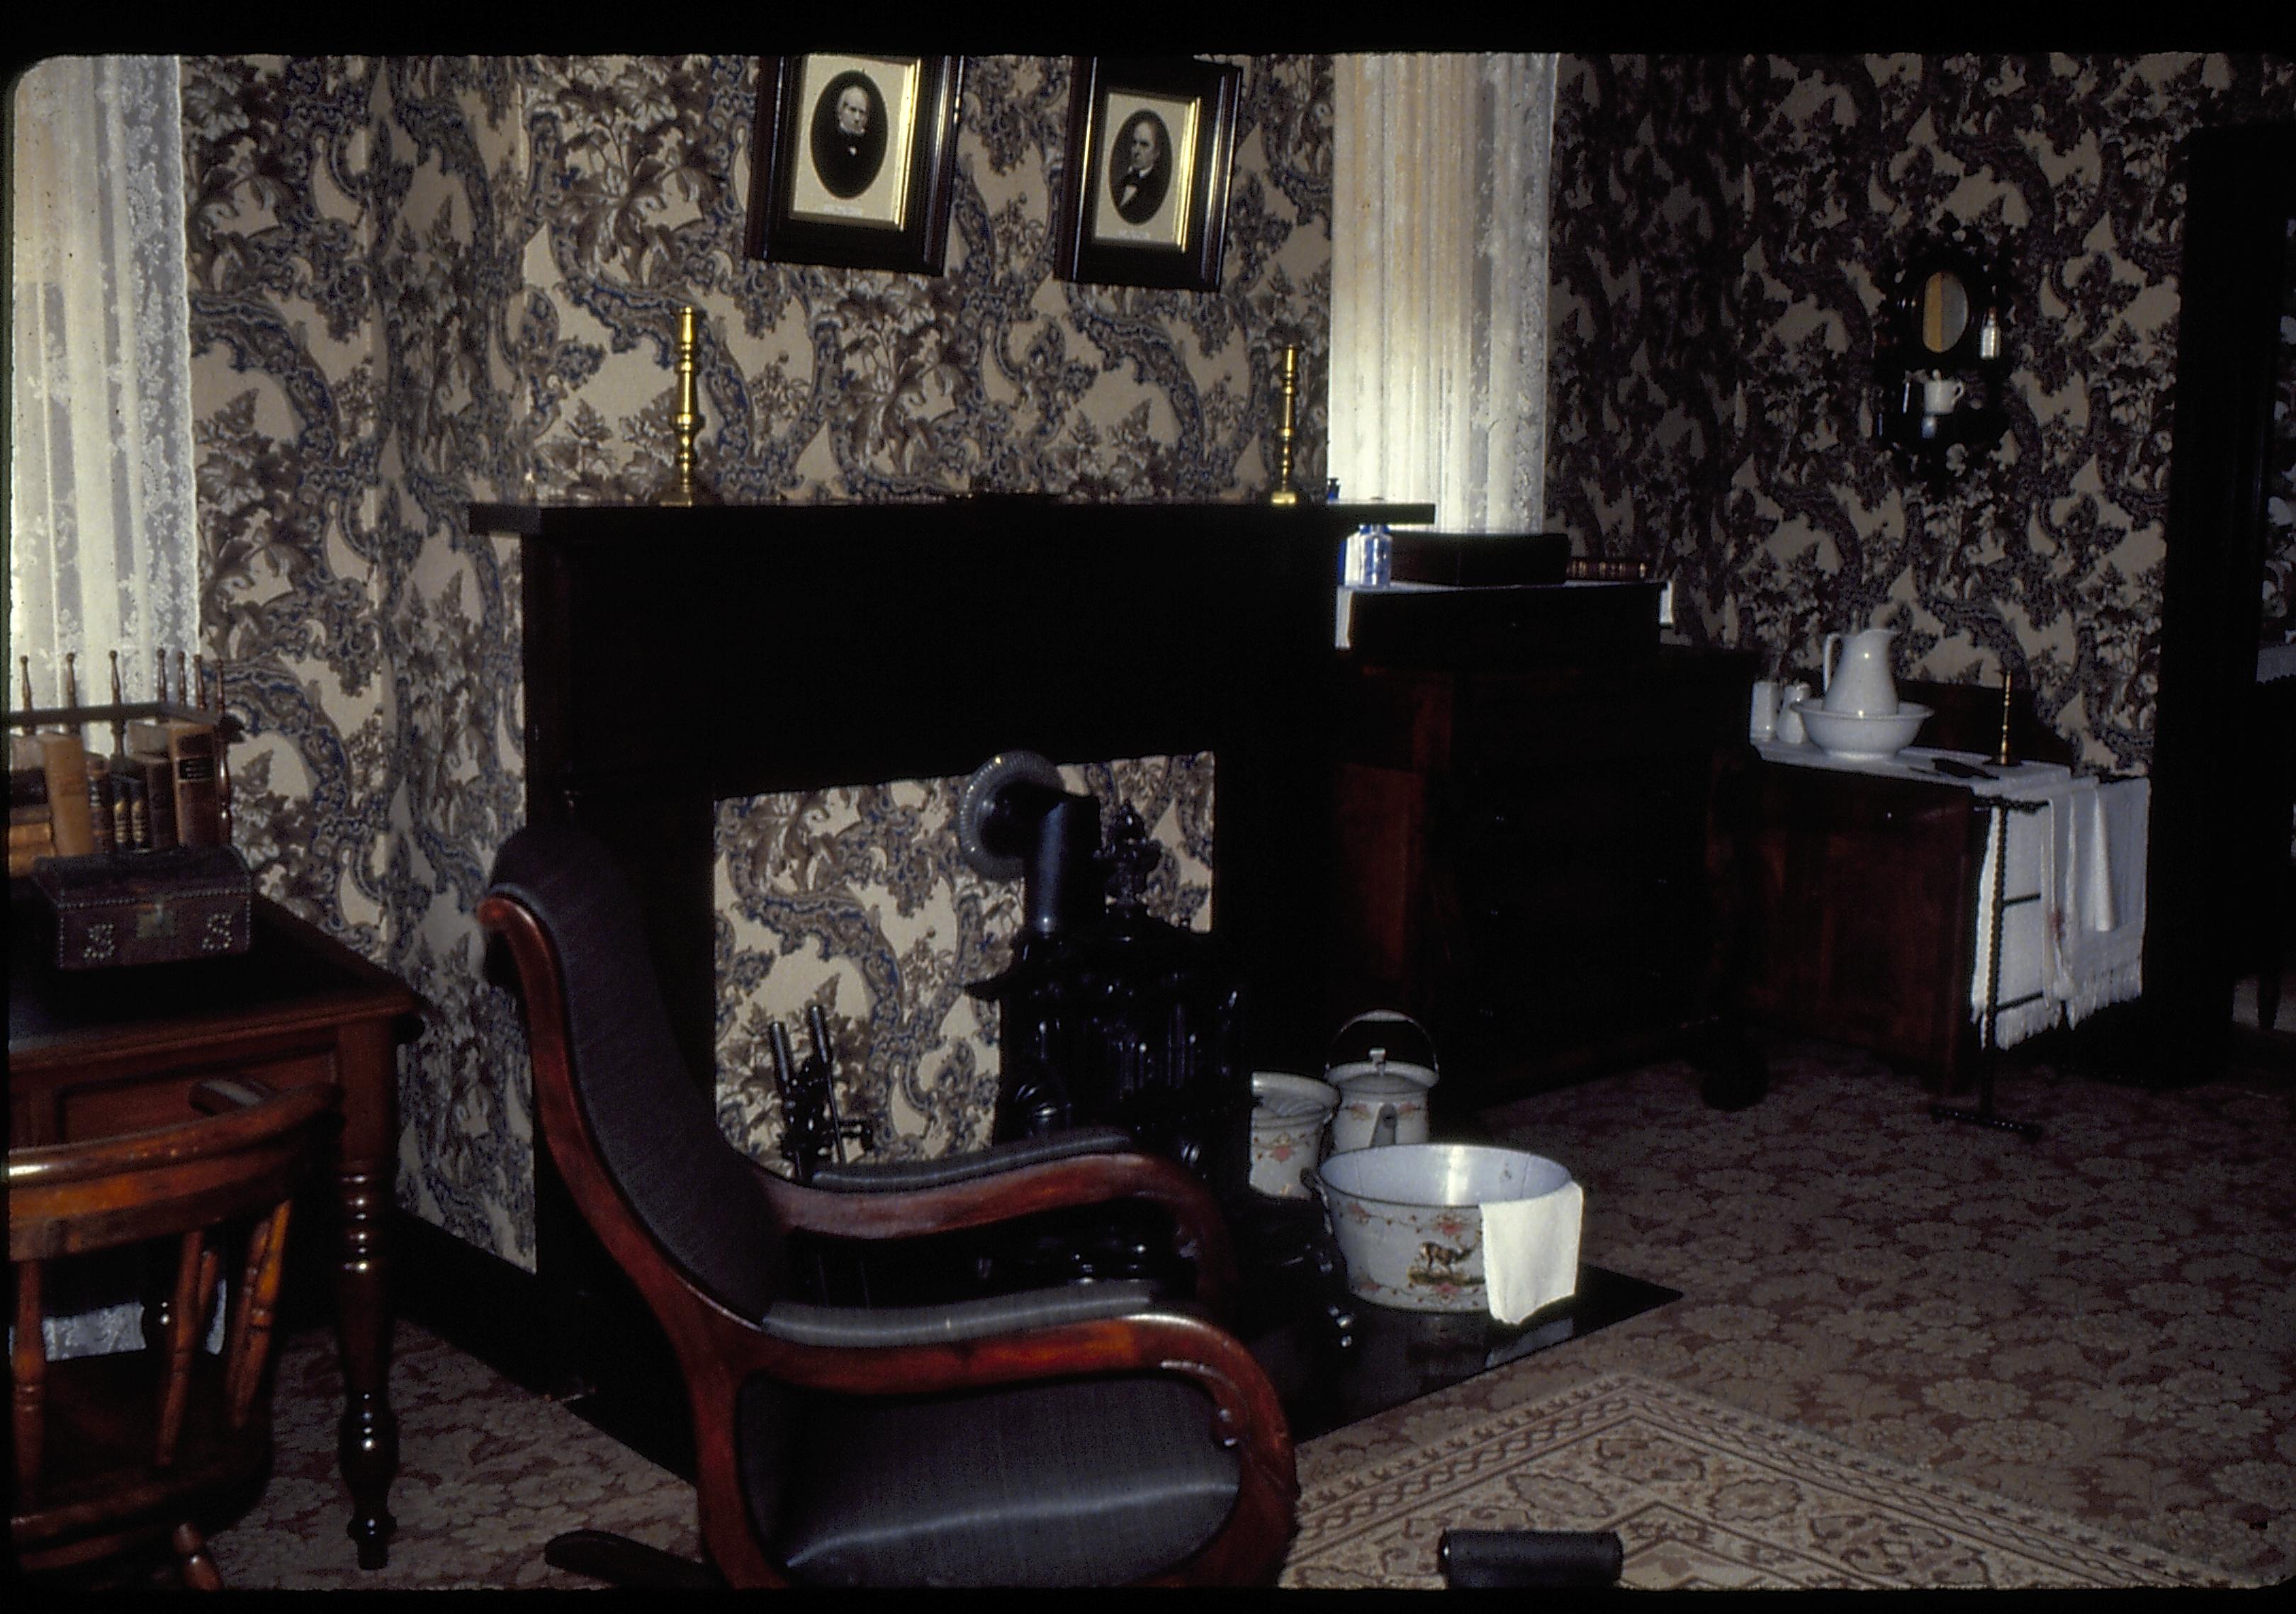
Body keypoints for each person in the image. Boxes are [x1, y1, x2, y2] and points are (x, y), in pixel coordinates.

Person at [811, 72, 885, 199]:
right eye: (852, 110)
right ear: (841, 111)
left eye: (862, 113)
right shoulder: (828, 143)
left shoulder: (870, 149)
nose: (857, 118)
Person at [1109, 111, 1169, 225]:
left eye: (1144, 145)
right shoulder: (1121, 183)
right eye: (1134, 143)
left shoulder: (1157, 190)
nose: (1136, 151)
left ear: (1156, 153)